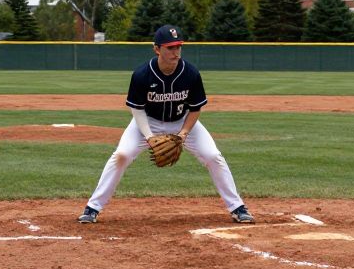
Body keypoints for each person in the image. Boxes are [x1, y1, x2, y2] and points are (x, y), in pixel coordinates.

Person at [77, 24, 254, 225]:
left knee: (213, 156)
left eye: (178, 46)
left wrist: (184, 133)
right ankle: (93, 207)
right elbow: (137, 109)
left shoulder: (191, 74)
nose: (175, 52)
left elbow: (195, 108)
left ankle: (237, 207)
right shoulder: (142, 74)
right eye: (170, 47)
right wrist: (149, 136)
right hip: (147, 122)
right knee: (122, 155)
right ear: (157, 49)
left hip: (182, 122)